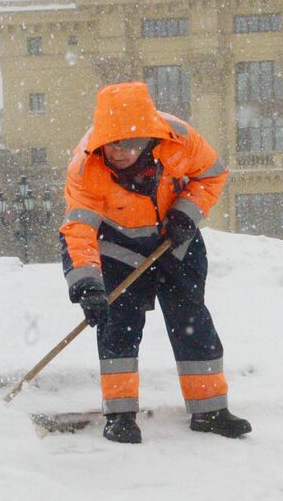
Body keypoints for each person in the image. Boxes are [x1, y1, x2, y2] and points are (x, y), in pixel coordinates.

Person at [59, 81, 249, 444]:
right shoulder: (85, 168)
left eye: (129, 144)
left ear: (148, 137)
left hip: (173, 243)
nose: (119, 152)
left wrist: (186, 212)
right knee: (119, 329)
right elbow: (79, 230)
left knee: (192, 322)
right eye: (112, 144)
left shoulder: (179, 138)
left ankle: (210, 411)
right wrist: (87, 285)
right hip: (117, 249)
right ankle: (120, 416)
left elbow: (212, 175)